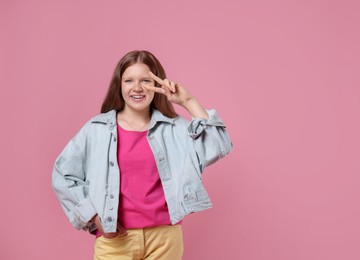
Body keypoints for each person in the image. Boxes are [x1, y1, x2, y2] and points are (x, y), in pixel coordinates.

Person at [52, 50, 233, 260]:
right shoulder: (97, 130)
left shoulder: (174, 128)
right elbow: (62, 175)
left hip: (165, 239)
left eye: (145, 80)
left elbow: (220, 145)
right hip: (115, 240)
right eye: (129, 80)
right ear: (119, 85)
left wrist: (188, 101)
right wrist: (92, 216)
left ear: (157, 85)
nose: (137, 88)